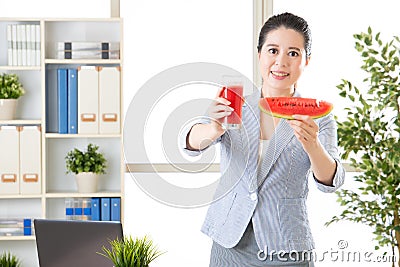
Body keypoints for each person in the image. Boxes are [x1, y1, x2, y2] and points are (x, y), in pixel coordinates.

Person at [181, 12, 345, 266]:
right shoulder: (234, 103)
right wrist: (213, 129)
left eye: (293, 53)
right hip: (230, 240)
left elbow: (330, 182)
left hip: (287, 245)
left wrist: (313, 146)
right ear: (259, 55)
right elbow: (191, 143)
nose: (281, 62)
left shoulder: (319, 118)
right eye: (272, 50)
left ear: (306, 61)